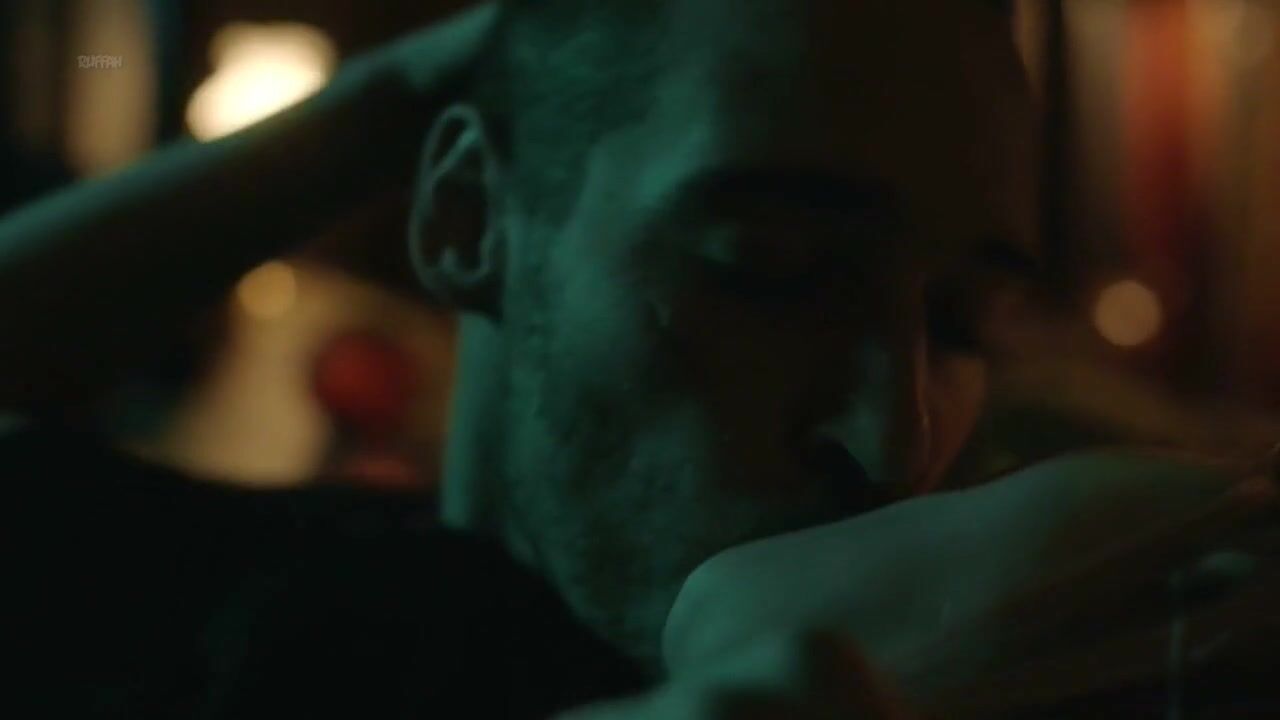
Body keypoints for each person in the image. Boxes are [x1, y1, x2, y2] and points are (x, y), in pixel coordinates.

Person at [2, 1, 1276, 718]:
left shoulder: (1094, 636)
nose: (893, 442)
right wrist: (393, 97)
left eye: (961, 324)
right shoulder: (174, 610)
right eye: (766, 271)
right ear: (467, 219)